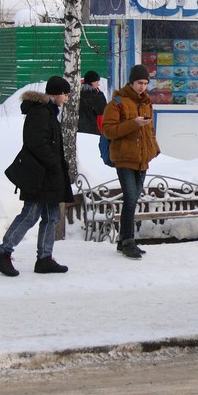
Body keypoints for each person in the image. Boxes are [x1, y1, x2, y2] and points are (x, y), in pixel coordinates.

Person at [0, 76, 75, 277]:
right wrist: (54, 163)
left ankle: (44, 258)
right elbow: (36, 143)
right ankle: (3, 254)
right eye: (65, 93)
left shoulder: (49, 111)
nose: (67, 97)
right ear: (55, 93)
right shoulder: (40, 112)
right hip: (39, 175)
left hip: (48, 175)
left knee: (51, 216)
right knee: (30, 215)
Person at [102, 64, 161, 260]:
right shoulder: (117, 102)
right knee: (130, 198)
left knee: (133, 199)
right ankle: (128, 241)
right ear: (131, 82)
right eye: (139, 83)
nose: (142, 87)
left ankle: (123, 240)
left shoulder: (146, 103)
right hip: (124, 158)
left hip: (142, 159)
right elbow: (108, 130)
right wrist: (132, 123)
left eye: (145, 83)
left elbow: (149, 131)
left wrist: (154, 149)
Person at [77, 70, 107, 135]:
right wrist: (101, 95)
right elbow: (103, 110)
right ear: (92, 82)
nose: (98, 84)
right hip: (92, 129)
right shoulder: (95, 96)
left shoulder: (78, 94)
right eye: (97, 82)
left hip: (79, 128)